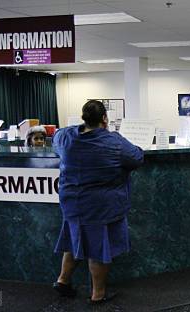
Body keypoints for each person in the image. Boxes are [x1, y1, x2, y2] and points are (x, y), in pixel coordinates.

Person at [52, 100, 144, 303]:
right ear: (105, 118)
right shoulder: (114, 142)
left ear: (83, 117)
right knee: (98, 249)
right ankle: (98, 295)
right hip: (100, 206)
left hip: (71, 203)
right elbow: (137, 157)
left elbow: (56, 142)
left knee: (74, 240)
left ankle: (63, 280)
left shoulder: (66, 136)